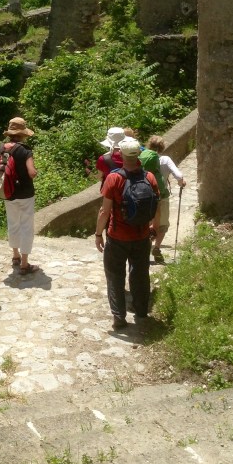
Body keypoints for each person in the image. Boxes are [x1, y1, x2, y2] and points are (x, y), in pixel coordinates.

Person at [95, 136, 160, 331]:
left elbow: (104, 211)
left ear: (121, 155)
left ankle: (119, 317)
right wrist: (152, 228)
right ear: (138, 154)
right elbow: (156, 205)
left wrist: (98, 234)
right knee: (140, 274)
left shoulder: (114, 178)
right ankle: (141, 312)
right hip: (141, 236)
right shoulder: (149, 177)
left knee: (115, 275)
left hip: (117, 236)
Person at [0, 117, 38, 275]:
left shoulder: (3, 148)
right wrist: (34, 171)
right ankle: (24, 263)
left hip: (8, 192)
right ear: (23, 133)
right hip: (25, 194)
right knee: (26, 227)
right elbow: (31, 172)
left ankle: (15, 255)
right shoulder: (25, 150)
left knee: (13, 223)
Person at [145, 135, 187, 263]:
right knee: (162, 224)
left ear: (149, 146)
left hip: (145, 196)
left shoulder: (143, 158)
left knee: (146, 223)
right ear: (162, 147)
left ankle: (144, 248)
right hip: (161, 197)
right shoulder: (165, 159)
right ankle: (156, 247)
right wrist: (181, 182)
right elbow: (179, 175)